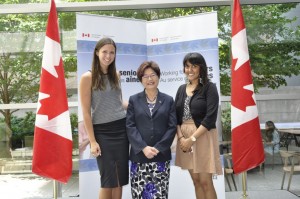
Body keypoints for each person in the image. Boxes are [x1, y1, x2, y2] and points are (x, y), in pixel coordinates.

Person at [79, 37, 129, 199]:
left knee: (119, 179)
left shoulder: (116, 74)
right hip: (102, 133)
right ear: (96, 53)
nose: (108, 56)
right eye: (104, 52)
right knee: (108, 180)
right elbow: (86, 112)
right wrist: (93, 142)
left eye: (112, 52)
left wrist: (140, 102)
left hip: (122, 130)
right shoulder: (87, 77)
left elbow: (118, 103)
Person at [126, 61, 177, 199]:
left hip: (160, 157)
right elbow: (130, 126)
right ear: (141, 80)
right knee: (139, 194)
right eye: (145, 76)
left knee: (160, 194)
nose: (150, 79)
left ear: (158, 76)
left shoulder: (168, 100)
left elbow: (172, 127)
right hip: (139, 157)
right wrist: (143, 147)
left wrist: (158, 148)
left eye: (153, 75)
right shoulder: (134, 100)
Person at [175, 52, 222, 199]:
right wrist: (182, 138)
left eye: (194, 66)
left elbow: (210, 118)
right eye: (187, 66)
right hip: (184, 138)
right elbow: (175, 117)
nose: (190, 70)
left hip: (202, 136)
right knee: (196, 182)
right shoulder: (181, 89)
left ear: (201, 68)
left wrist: (192, 140)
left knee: (205, 182)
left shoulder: (209, 87)